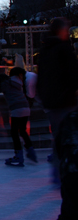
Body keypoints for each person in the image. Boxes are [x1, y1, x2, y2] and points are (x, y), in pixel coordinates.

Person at [37, 18, 78, 184]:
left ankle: (56, 171)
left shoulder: (44, 49)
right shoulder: (64, 48)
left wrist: (43, 96)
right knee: (69, 136)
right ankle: (66, 170)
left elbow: (41, 76)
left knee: (58, 136)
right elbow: (73, 74)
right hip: (65, 100)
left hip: (51, 101)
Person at [0, 67, 37, 166]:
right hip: (26, 107)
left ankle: (18, 155)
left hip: (16, 109)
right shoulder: (17, 83)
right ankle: (31, 152)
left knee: (14, 133)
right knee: (22, 131)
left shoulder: (4, 84)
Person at [55, 109, 78, 219]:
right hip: (71, 168)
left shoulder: (70, 117)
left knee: (69, 209)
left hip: (70, 169)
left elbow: (59, 145)